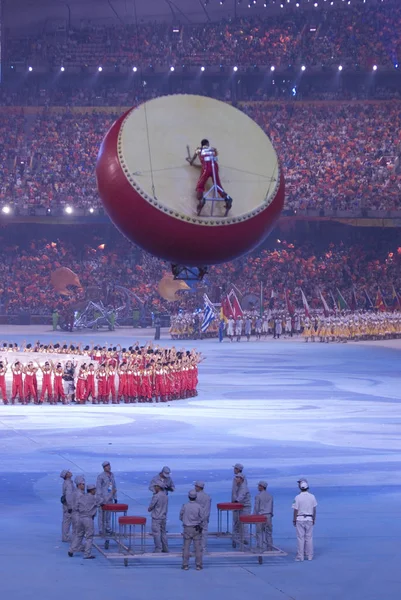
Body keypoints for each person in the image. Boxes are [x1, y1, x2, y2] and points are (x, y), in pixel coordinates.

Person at [187, 138, 233, 215]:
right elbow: (215, 155)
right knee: (218, 185)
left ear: (201, 144)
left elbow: (194, 159)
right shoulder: (213, 149)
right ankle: (227, 198)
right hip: (214, 167)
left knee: (200, 185)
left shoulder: (199, 149)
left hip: (206, 167)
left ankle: (201, 200)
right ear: (208, 144)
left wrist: (191, 161)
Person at [68, 483, 100, 559]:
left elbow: (76, 507)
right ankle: (87, 554)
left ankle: (71, 550)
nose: (95, 491)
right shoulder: (94, 498)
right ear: (92, 490)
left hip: (80, 518)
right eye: (94, 489)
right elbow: (102, 501)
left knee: (79, 535)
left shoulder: (82, 497)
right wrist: (111, 493)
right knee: (89, 537)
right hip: (88, 519)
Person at [292, 479, 317, 562]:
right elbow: (314, 509)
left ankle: (300, 556)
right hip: (309, 518)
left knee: (300, 538)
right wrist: (314, 518)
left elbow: (295, 509)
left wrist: (294, 519)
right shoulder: (312, 496)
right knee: (309, 538)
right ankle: (310, 556)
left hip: (300, 518)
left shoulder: (297, 497)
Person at [179, 490, 204, 571]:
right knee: (197, 548)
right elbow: (202, 517)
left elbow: (180, 516)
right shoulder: (198, 506)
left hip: (187, 528)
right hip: (196, 528)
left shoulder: (185, 506)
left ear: (188, 496)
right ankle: (198, 565)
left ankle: (185, 565)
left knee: (186, 547)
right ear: (196, 497)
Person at [96, 461, 117, 535]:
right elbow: (98, 488)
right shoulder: (101, 476)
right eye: (107, 466)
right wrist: (100, 500)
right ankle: (101, 529)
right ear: (104, 468)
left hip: (110, 497)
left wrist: (115, 497)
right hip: (103, 498)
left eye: (109, 465)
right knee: (101, 515)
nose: (109, 467)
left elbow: (113, 486)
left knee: (108, 515)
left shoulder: (112, 475)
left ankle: (107, 528)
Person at [147, 480, 169, 553]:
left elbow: (151, 506)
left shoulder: (156, 496)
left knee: (156, 534)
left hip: (156, 518)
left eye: (155, 486)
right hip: (163, 517)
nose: (154, 487)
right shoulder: (165, 496)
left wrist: (149, 509)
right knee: (163, 533)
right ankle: (165, 548)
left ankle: (158, 549)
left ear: (158, 487)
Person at [253, 480, 274, 552]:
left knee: (259, 532)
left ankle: (260, 547)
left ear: (262, 487)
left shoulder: (258, 496)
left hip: (260, 516)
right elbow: (271, 507)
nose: (257, 487)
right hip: (268, 516)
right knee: (268, 532)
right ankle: (270, 547)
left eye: (259, 486)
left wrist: (254, 517)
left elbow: (256, 508)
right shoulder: (270, 496)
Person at [67, 475, 86, 548]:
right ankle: (76, 546)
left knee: (75, 531)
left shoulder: (75, 492)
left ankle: (75, 545)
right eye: (83, 484)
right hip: (78, 514)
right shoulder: (79, 494)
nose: (84, 486)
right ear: (79, 484)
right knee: (78, 531)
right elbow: (80, 505)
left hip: (75, 514)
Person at [232, 472, 251, 545]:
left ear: (241, 479)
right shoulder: (239, 486)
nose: (235, 479)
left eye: (237, 477)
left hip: (245, 507)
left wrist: (236, 501)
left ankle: (245, 539)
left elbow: (241, 496)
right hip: (241, 506)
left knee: (244, 523)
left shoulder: (243, 487)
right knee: (238, 523)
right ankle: (239, 538)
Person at [194, 481, 211, 551]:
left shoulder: (195, 496)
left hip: (197, 517)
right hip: (205, 517)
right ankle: (203, 548)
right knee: (204, 533)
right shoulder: (207, 497)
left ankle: (196, 548)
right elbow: (208, 508)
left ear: (198, 487)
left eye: (195, 486)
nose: (194, 487)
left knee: (196, 533)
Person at [60, 469, 74, 542]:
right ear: (66, 475)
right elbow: (69, 496)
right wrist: (70, 507)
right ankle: (65, 537)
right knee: (67, 521)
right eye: (68, 472)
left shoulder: (68, 483)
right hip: (68, 506)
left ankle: (65, 536)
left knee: (66, 521)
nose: (70, 472)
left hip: (67, 505)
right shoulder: (68, 484)